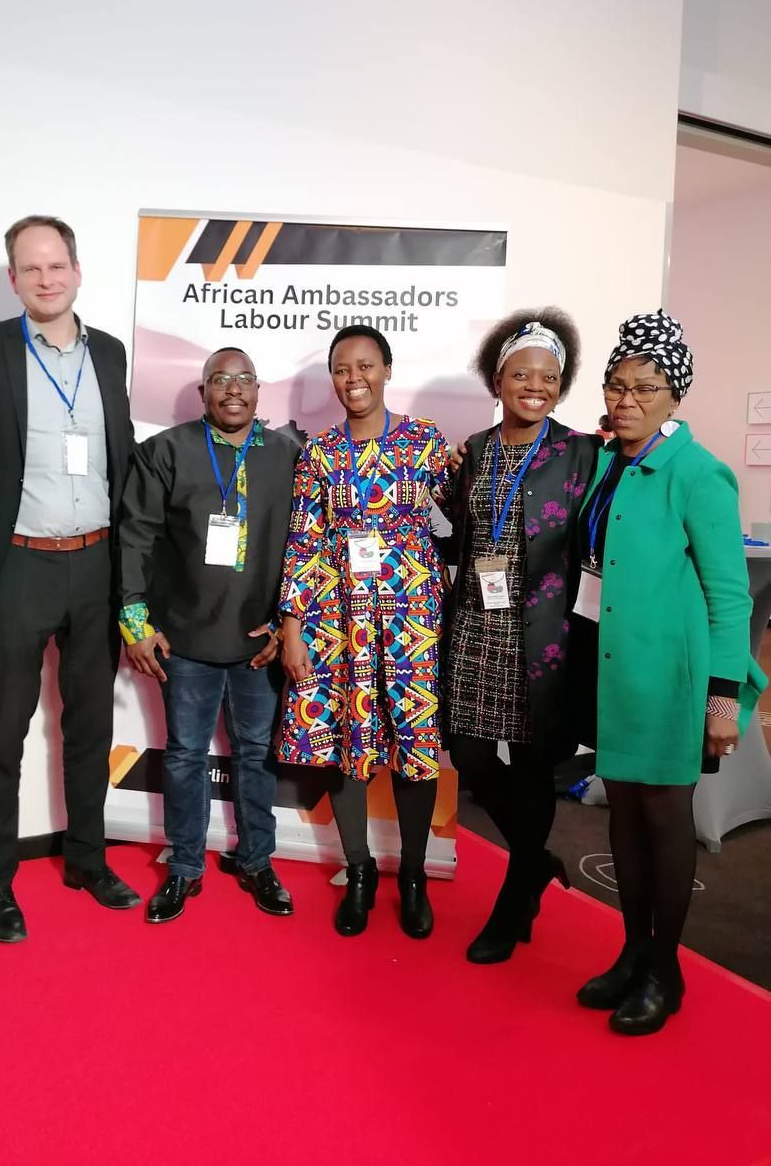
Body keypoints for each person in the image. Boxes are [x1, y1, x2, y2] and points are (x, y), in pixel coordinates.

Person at [571, 311, 763, 1035]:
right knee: (623, 814)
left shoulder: (698, 473)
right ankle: (631, 952)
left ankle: (665, 968)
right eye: (616, 385)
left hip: (673, 679)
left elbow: (729, 598)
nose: (627, 399)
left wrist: (720, 701)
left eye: (644, 387)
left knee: (664, 816)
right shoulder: (609, 462)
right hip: (616, 671)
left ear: (674, 394)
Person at [0, 215, 138, 943]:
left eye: (56, 265)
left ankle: (86, 859)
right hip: (20, 564)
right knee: (3, 729)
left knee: (93, 725)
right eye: (30, 269)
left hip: (97, 562)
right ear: (12, 279)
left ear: (76, 269)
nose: (45, 278)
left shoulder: (112, 354)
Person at [279, 326, 456, 938]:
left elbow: (459, 522)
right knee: (343, 742)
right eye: (341, 368)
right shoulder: (321, 452)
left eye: (365, 365)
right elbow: (303, 539)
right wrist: (293, 625)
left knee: (414, 747)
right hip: (337, 620)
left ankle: (412, 876)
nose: (353, 377)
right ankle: (357, 872)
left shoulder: (427, 441)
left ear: (387, 369)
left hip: (410, 618)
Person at [440, 309, 600, 963]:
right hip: (477, 625)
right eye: (521, 374)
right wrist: (436, 486)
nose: (535, 386)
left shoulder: (583, 451)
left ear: (560, 386)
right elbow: (452, 531)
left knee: (534, 769)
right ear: (497, 378)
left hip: (543, 638)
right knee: (470, 754)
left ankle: (513, 897)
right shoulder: (474, 449)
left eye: (549, 377)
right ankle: (534, 862)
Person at [120, 348, 298, 922]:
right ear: (203, 392)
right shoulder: (164, 452)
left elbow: (310, 543)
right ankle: (185, 867)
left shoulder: (290, 456)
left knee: (254, 754)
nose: (233, 390)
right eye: (219, 380)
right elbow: (135, 538)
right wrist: (135, 623)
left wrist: (288, 621)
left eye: (245, 378)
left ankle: (256, 859)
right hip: (184, 640)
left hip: (258, 639)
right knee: (185, 754)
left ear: (258, 389)